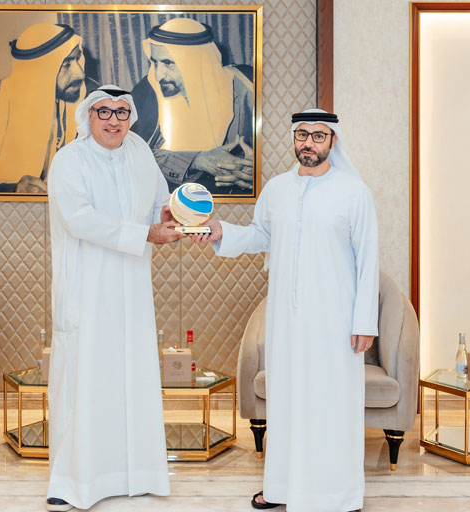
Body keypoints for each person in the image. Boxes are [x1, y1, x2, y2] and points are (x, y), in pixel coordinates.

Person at [192, 109, 378, 512]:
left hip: (335, 321)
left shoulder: (354, 192)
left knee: (332, 402)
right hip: (287, 320)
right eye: (302, 135)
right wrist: (224, 231)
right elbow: (261, 236)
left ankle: (338, 495)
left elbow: (368, 259)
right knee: (289, 401)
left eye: (318, 136)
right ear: (294, 139)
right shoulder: (277, 189)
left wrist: (365, 321)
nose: (309, 143)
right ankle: (281, 489)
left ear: (332, 141)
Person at [45, 85, 185, 511]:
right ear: (89, 116)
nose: (113, 120)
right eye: (104, 111)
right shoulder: (69, 160)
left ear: (130, 118)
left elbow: (158, 201)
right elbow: (79, 219)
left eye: (122, 112)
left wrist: (168, 218)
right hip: (88, 290)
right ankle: (73, 481)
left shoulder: (139, 152)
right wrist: (146, 233)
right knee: (85, 380)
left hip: (132, 290)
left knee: (132, 377)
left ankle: (135, 475)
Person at [131, 17, 256, 194]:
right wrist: (196, 160)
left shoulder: (248, 86)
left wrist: (257, 170)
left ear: (197, 61)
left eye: (168, 63)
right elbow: (131, 155)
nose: (158, 75)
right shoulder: (147, 91)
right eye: (155, 62)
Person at [0, 23, 90, 193]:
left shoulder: (82, 103)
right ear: (38, 70)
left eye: (78, 59)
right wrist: (13, 190)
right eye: (66, 64)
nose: (80, 73)